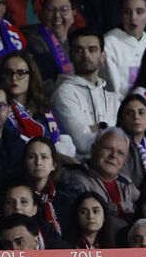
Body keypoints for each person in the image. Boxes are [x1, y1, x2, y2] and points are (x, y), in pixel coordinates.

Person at [50, 27, 120, 159]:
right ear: (70, 55)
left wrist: (95, 128)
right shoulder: (64, 93)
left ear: (102, 55)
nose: (86, 55)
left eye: (92, 49)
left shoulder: (113, 98)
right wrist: (106, 128)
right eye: (79, 50)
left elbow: (123, 140)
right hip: (81, 166)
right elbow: (82, 143)